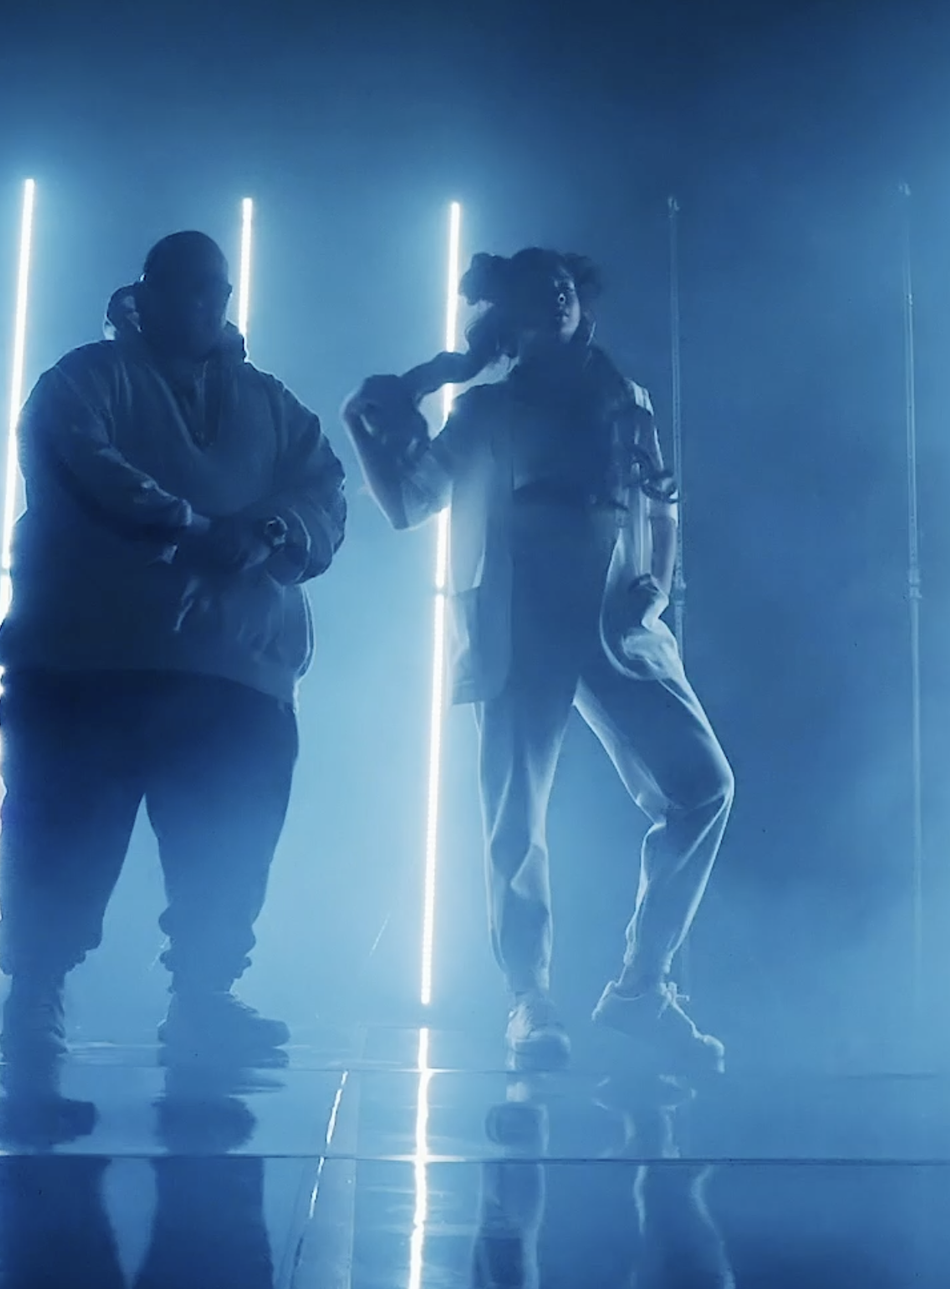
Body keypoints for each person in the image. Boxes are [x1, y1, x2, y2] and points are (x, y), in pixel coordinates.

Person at [342, 248, 733, 1072]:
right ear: (511, 316)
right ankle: (531, 999)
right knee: (515, 820)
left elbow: (662, 507)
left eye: (562, 282)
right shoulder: (487, 411)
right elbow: (411, 502)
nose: (555, 294)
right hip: (521, 616)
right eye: (534, 289)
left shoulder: (628, 398)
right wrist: (364, 424)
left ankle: (640, 987)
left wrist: (653, 588)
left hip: (618, 622)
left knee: (703, 784)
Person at [0, 230, 348, 1062]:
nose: (201, 304)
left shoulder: (269, 402)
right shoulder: (84, 379)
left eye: (213, 290)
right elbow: (80, 461)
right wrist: (198, 533)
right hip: (89, 661)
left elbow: (325, 489)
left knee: (228, 839)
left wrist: (262, 533)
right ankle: (37, 990)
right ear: (143, 294)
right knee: (59, 831)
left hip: (234, 669)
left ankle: (204, 996)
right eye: (183, 288)